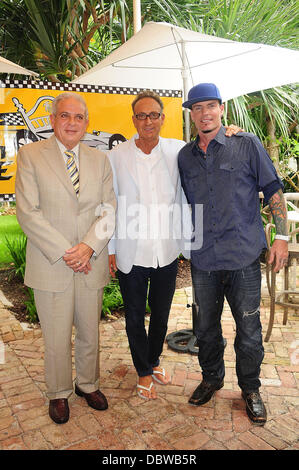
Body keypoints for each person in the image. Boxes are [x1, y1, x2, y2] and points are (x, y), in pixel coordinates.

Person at [107, 90, 241, 400]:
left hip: (166, 249)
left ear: (163, 119)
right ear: (134, 120)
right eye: (141, 115)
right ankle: (143, 371)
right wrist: (111, 249)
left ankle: (153, 361)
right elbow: (109, 204)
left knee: (162, 314)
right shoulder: (116, 156)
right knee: (134, 314)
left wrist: (233, 133)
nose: (148, 121)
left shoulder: (178, 151)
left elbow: (211, 150)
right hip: (131, 250)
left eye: (154, 115)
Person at [178, 83, 289, 425]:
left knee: (249, 329)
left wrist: (282, 235)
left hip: (242, 258)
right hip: (204, 260)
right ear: (191, 115)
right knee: (206, 328)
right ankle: (211, 378)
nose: (204, 113)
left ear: (222, 108)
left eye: (210, 106)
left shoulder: (247, 144)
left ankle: (251, 389)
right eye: (197, 108)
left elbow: (273, 188)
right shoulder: (184, 156)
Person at [15, 92, 116, 424]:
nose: (72, 122)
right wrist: (68, 252)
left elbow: (109, 209)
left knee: (90, 329)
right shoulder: (31, 155)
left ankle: (87, 384)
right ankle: (58, 393)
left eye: (79, 117)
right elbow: (28, 212)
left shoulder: (100, 160)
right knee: (56, 334)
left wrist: (88, 246)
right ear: (53, 120)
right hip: (51, 262)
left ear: (87, 123)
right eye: (65, 116)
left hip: (91, 259)